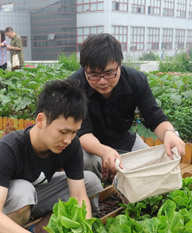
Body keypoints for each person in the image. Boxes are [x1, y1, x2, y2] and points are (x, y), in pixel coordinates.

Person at [0, 79, 103, 233]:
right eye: (63, 132)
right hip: (0, 201)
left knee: (90, 181)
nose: (68, 140)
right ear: (41, 120)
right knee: (23, 192)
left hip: (36, 194)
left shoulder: (71, 146)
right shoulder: (8, 148)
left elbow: (78, 196)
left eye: (74, 132)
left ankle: (36, 231)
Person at [67, 33, 185, 179]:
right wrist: (104, 152)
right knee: (86, 161)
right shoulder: (74, 85)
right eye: (94, 75)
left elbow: (154, 116)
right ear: (85, 69)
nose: (102, 81)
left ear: (119, 65)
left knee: (154, 165)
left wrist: (169, 133)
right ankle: (93, 197)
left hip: (123, 139)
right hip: (88, 146)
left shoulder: (136, 80)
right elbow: (82, 132)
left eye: (109, 73)